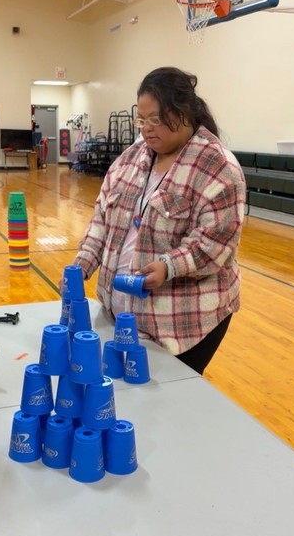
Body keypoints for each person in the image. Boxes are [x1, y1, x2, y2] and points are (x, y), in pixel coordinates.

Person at [72, 67, 246, 374]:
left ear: (185, 112)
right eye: (142, 120)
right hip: (124, 318)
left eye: (156, 120)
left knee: (165, 405)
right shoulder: (130, 159)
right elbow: (102, 218)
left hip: (183, 325)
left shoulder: (218, 167)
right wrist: (83, 262)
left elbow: (215, 242)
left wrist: (168, 267)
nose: (147, 129)